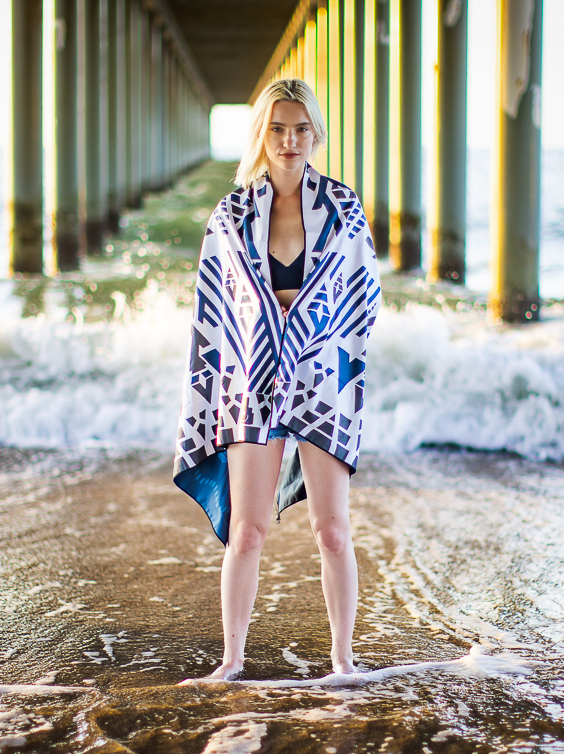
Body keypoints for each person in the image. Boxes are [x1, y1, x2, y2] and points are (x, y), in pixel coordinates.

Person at [173, 78, 381, 680]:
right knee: (248, 530)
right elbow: (211, 305)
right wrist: (238, 364)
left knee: (333, 531)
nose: (289, 141)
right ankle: (231, 660)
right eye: (277, 128)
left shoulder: (342, 208)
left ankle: (343, 659)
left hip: (321, 378)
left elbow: (365, 295)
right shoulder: (232, 213)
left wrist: (329, 350)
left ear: (316, 134)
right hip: (253, 378)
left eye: (301, 129)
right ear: (261, 134)